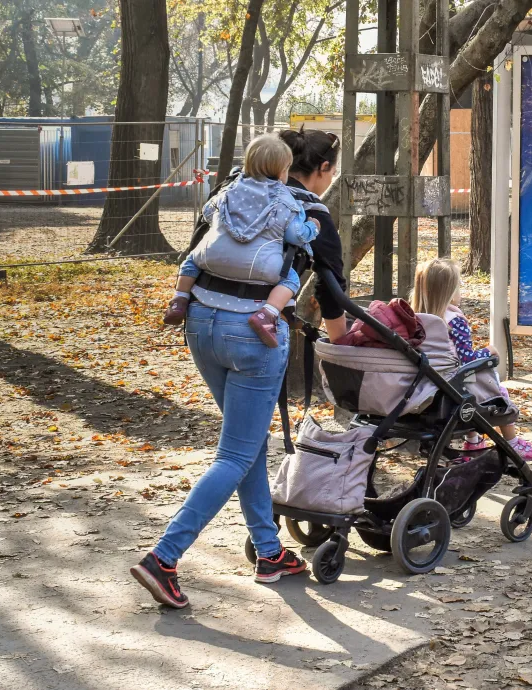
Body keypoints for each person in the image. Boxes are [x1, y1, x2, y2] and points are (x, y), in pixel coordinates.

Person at [130, 128, 344, 608]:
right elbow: (332, 284)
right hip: (252, 332)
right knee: (235, 454)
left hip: (201, 322)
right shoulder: (305, 210)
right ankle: (163, 558)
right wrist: (343, 339)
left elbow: (196, 246)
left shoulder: (228, 191)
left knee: (244, 445)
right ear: (316, 170)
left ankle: (269, 553)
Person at [163, 134, 320, 348]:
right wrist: (313, 227)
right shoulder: (284, 200)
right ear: (283, 170)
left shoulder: (229, 190)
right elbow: (296, 235)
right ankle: (268, 314)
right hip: (261, 267)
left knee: (191, 260)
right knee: (290, 279)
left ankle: (179, 299)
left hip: (211, 258)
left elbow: (208, 213)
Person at [411, 258, 532, 461]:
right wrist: (489, 352)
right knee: (498, 392)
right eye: (458, 287)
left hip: (425, 389)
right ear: (448, 292)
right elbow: (467, 360)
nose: (460, 292)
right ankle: (512, 443)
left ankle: (474, 441)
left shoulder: (414, 319)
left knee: (466, 391)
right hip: (453, 391)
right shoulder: (454, 321)